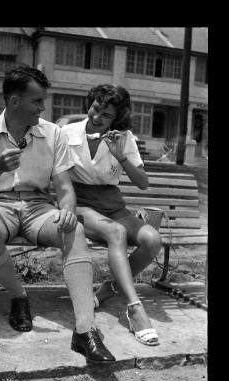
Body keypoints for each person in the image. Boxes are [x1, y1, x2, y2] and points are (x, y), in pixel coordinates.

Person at [0, 66, 115, 363]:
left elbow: (64, 187)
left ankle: (84, 330)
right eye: (37, 101)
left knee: (74, 230)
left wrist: (67, 209)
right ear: (14, 102)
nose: (43, 107)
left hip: (38, 207)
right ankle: (19, 295)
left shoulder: (52, 134)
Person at [61, 84, 162, 346]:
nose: (97, 117)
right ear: (90, 103)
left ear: (115, 118)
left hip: (112, 204)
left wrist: (120, 155)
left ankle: (109, 288)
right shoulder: (66, 132)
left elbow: (143, 183)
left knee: (152, 239)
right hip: (80, 202)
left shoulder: (124, 138)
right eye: (96, 108)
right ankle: (135, 308)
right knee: (115, 232)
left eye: (106, 115)